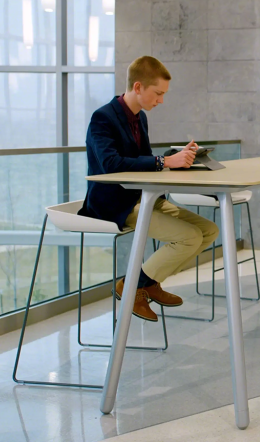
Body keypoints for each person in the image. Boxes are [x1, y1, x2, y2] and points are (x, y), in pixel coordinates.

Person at [80, 55, 219, 322]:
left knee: (209, 230)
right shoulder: (102, 118)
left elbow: (143, 159)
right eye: (158, 93)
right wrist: (164, 161)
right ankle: (132, 286)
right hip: (115, 203)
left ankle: (146, 284)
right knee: (189, 237)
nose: (161, 100)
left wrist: (176, 158)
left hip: (144, 196)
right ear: (138, 87)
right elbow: (111, 163)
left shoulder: (139, 118)